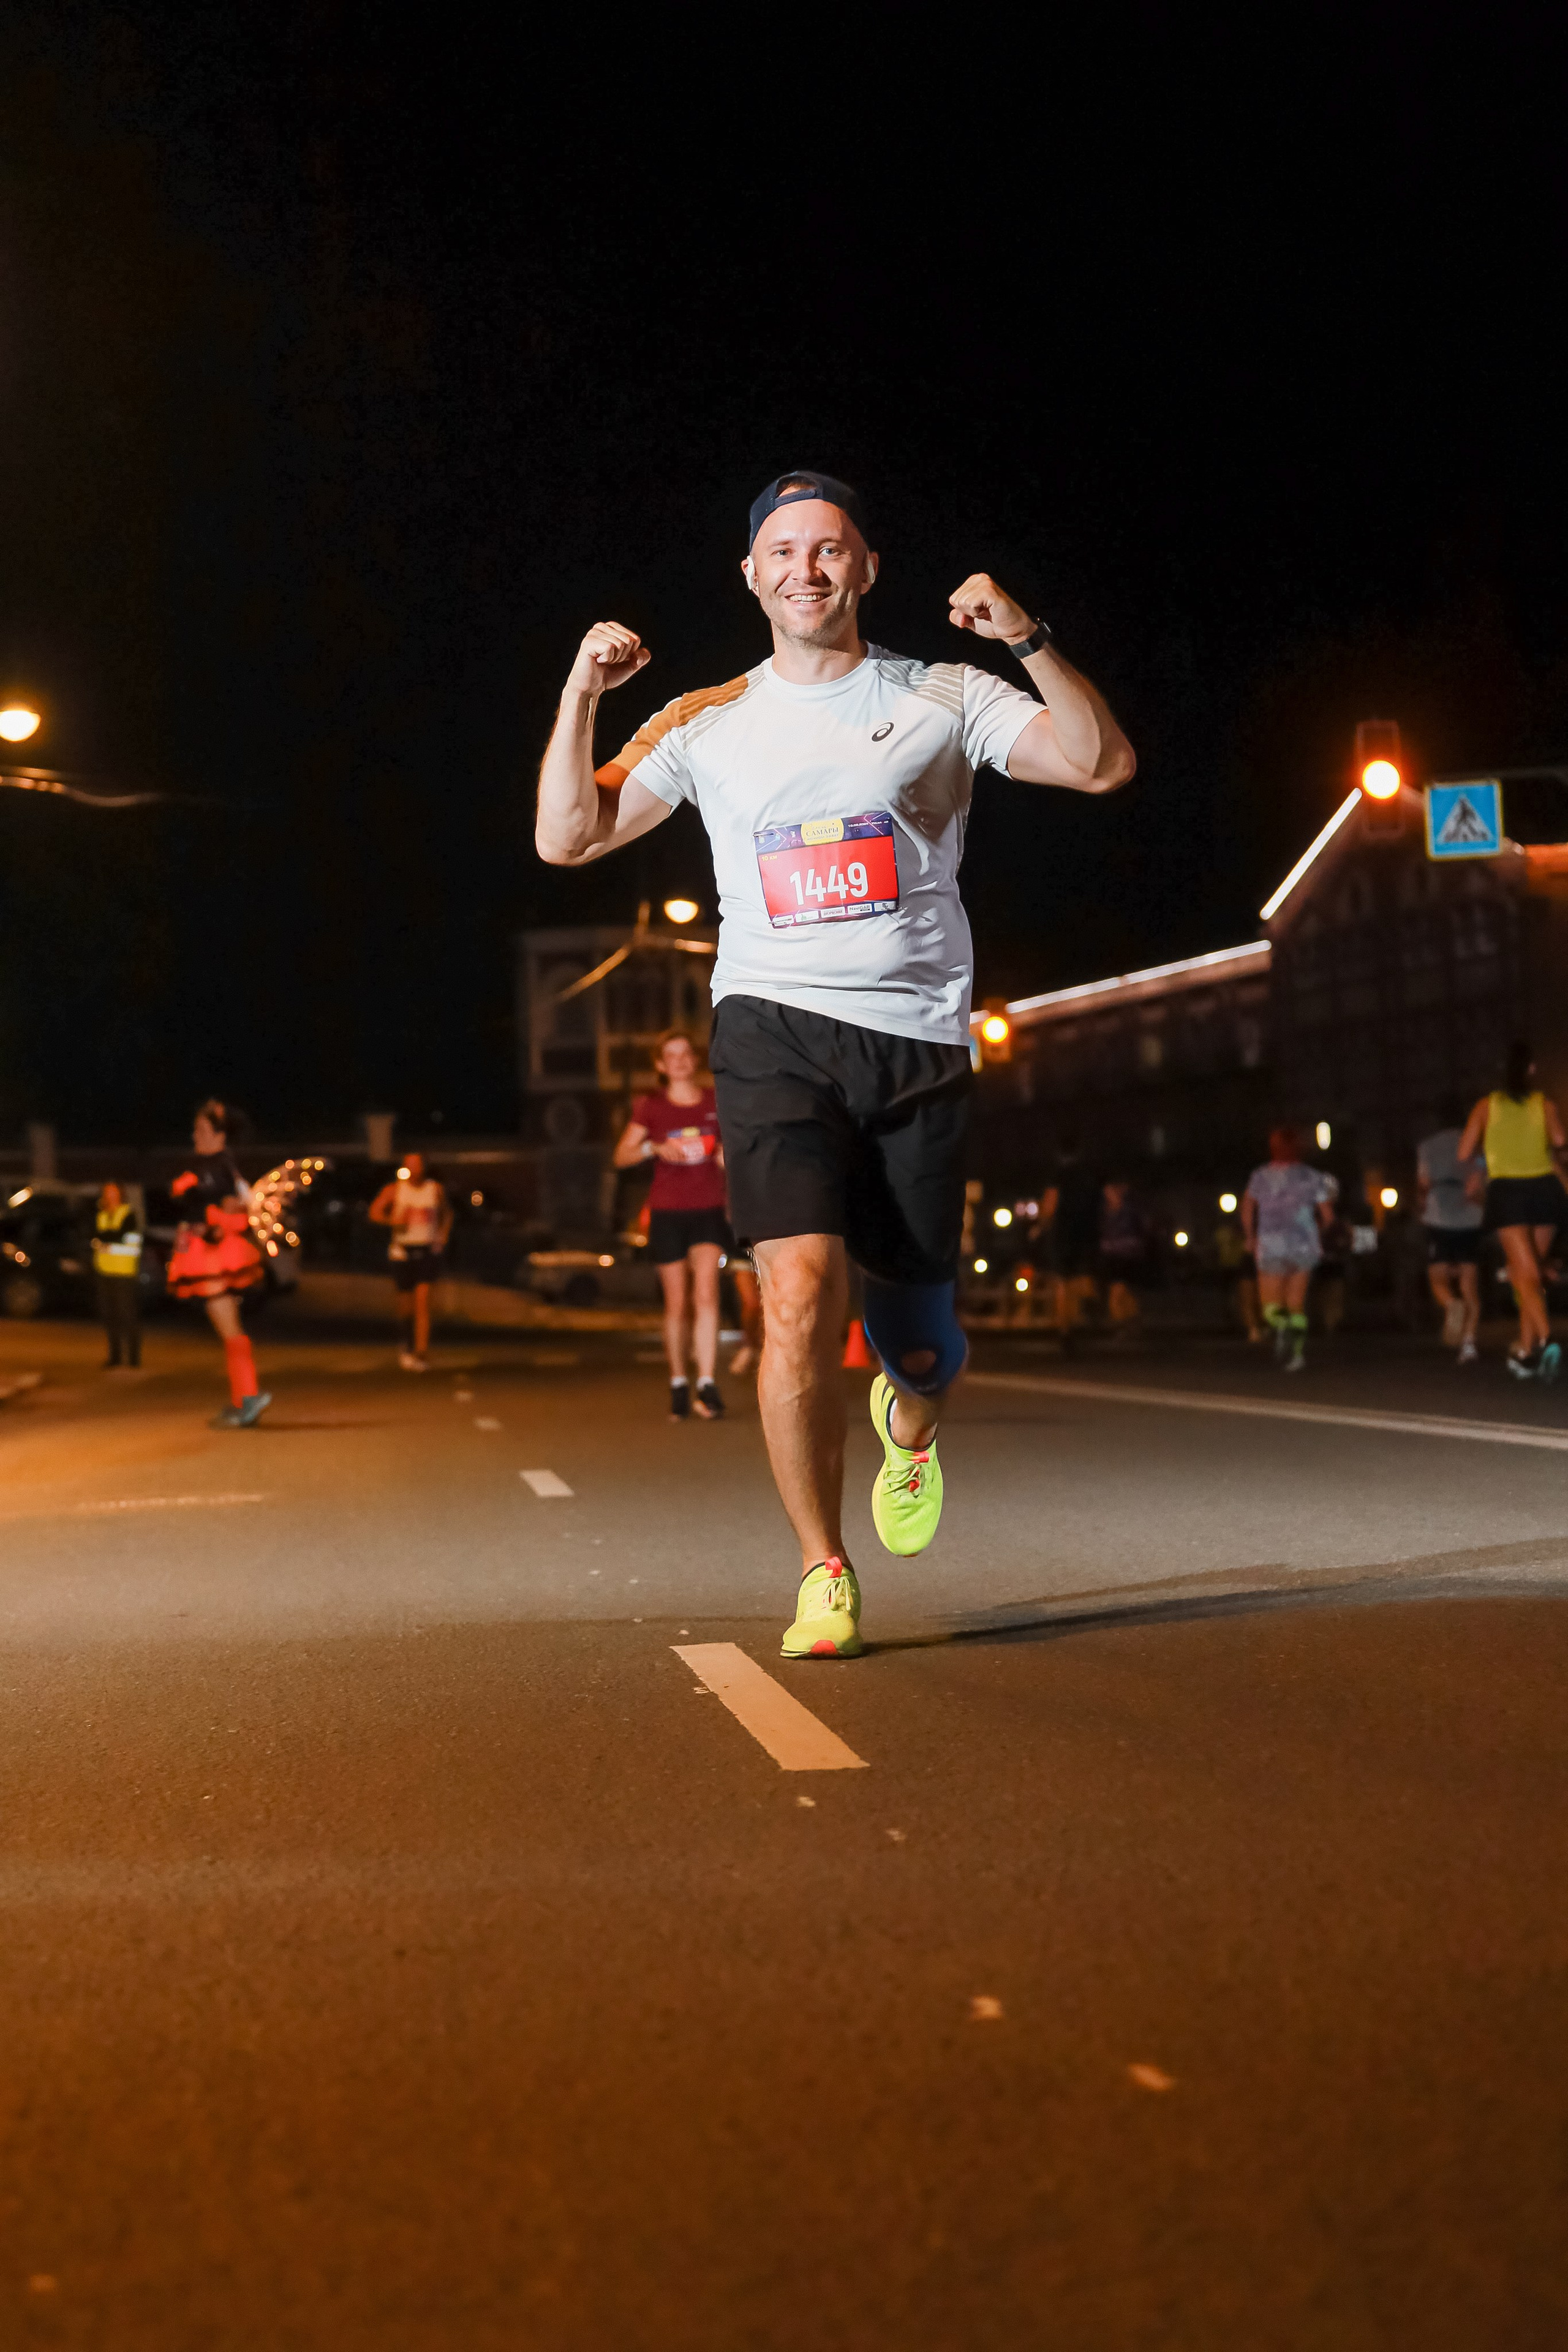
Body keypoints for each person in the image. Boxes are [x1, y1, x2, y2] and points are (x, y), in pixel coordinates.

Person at [537, 469, 1134, 1656]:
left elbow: (1098, 763)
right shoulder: (705, 718)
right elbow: (567, 837)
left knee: (917, 1346)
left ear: (862, 570)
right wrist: (580, 693)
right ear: (750, 577)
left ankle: (907, 1430)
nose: (804, 567)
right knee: (796, 1290)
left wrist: (1025, 637)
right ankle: (822, 1569)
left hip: (915, 1040)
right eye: (781, 550)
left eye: (829, 549)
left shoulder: (942, 692)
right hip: (770, 1029)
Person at [612, 1029, 730, 1419]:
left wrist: (725, 1157)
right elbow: (621, 1156)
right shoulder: (652, 1107)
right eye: (671, 1055)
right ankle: (679, 1381)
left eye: (685, 1054)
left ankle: (708, 1383)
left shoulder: (715, 1103)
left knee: (707, 1295)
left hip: (709, 1209)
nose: (680, 1061)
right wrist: (654, 1147)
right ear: (661, 1066)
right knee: (677, 1303)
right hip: (667, 1211)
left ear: (695, 1061)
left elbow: (729, 1153)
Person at [1458, 1041, 1567, 1381]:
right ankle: (1525, 1347)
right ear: (1531, 1070)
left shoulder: (1486, 1107)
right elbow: (1561, 1142)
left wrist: (1487, 1153)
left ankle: (1547, 1340)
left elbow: (1464, 1152)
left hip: (1508, 1192)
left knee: (1526, 1275)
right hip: (1545, 1191)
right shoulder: (1544, 1104)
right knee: (1527, 1276)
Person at [165, 1099, 270, 1427]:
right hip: (209, 1252)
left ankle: (249, 1397)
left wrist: (211, 1217)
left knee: (229, 1329)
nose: (195, 1135)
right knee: (228, 1329)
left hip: (213, 1256)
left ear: (218, 1134)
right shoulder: (216, 1165)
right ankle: (244, 1399)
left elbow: (236, 1211)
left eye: (202, 1129)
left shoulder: (218, 1166)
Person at [1240, 1125, 1335, 1372]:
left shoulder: (1260, 1176)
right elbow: (1328, 1215)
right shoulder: (1313, 1176)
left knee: (1270, 1308)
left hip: (1272, 1245)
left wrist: (1250, 1236)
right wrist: (1320, 1237)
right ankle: (1297, 1354)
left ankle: (1281, 1328)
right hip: (1303, 1245)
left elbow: (1248, 1208)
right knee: (1296, 1304)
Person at [369, 1151, 451, 1370]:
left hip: (426, 1251)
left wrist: (442, 1237)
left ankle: (421, 1352)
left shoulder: (435, 1190)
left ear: (424, 1167)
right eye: (409, 1165)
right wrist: (393, 1220)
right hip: (402, 1252)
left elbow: (446, 1215)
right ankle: (406, 1345)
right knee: (406, 1306)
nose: (414, 1169)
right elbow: (374, 1213)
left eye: (417, 1165)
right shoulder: (395, 1190)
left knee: (423, 1303)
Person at [1417, 1104, 1485, 1366]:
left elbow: (1423, 1184)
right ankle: (1469, 1344)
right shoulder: (1477, 1147)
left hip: (1439, 1219)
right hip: (1470, 1219)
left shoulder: (1428, 1146)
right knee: (1470, 1284)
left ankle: (1450, 1304)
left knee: (1438, 1279)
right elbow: (1479, 1182)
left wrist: (1422, 1205)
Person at [1040, 1136, 1102, 1343]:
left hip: (1062, 1234)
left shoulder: (1058, 1176)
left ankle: (1065, 1330)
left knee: (1063, 1282)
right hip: (1086, 1233)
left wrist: (1042, 1226)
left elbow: (1050, 1206)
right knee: (1084, 1274)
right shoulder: (1089, 1177)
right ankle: (1090, 1305)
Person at [92, 1181, 143, 1370]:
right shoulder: (101, 1215)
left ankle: (133, 1358)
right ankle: (114, 1357)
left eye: (114, 1192)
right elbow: (95, 1235)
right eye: (107, 1192)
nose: (110, 1196)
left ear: (121, 1194)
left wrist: (106, 1241)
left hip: (124, 1272)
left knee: (127, 1315)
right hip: (104, 1271)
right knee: (109, 1315)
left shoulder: (129, 1214)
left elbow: (125, 1238)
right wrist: (107, 1239)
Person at [1096, 1175, 1152, 1342]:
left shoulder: (1130, 1211)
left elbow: (1142, 1231)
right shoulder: (1104, 1212)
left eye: (1115, 1189)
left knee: (1120, 1291)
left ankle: (1125, 1326)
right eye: (1108, 1189)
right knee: (1118, 1292)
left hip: (1128, 1257)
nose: (1111, 1193)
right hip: (1111, 1258)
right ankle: (1129, 1325)